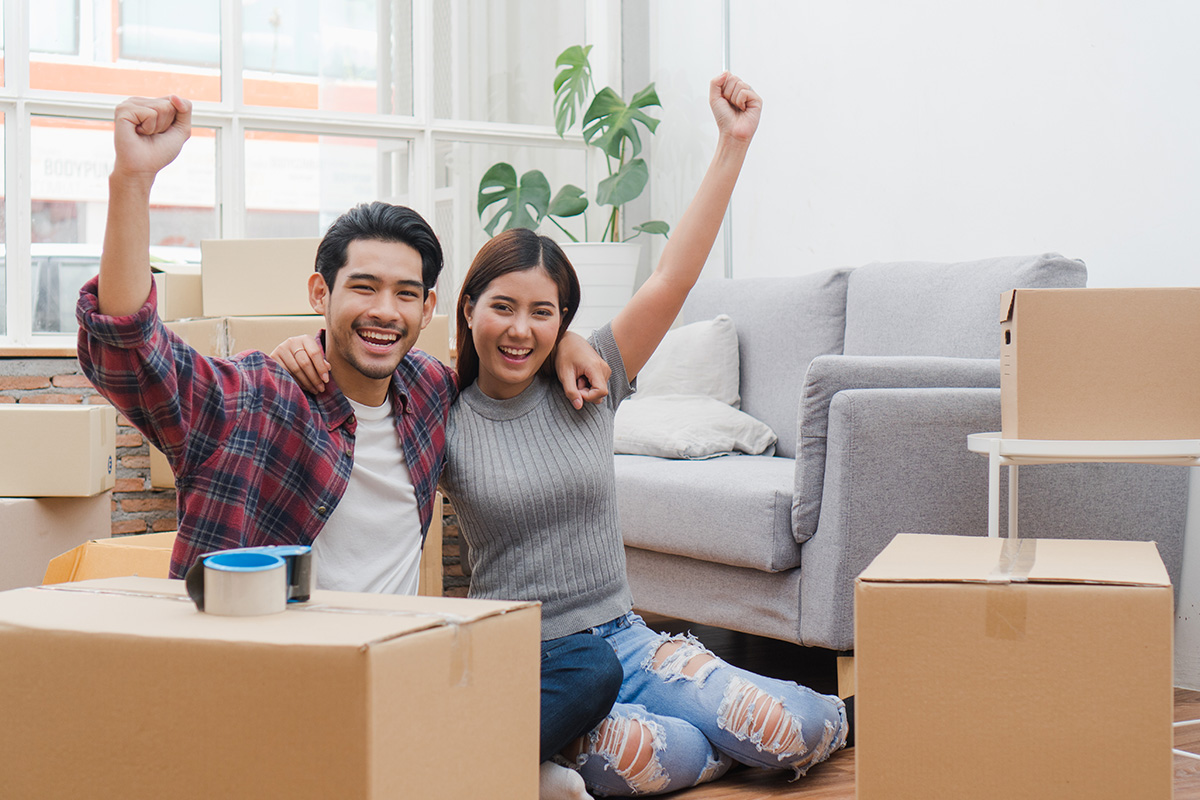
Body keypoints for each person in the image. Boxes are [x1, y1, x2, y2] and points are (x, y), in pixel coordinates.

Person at [280, 72, 846, 798]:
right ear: (468, 308)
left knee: (787, 731)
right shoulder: (435, 402)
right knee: (640, 757)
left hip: (630, 641)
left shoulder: (594, 373)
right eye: (503, 307)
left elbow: (673, 277)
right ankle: (714, 739)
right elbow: (365, 344)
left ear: (563, 319)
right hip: (527, 657)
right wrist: (292, 348)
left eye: (543, 313)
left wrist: (732, 145)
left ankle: (803, 723)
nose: (520, 329)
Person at [76, 94, 612, 595]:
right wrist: (131, 180)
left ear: (427, 310)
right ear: (320, 293)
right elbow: (131, 352)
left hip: (389, 668)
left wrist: (567, 342)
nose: (384, 310)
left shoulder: (430, 393)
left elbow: (513, 353)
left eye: (405, 293)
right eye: (363, 287)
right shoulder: (256, 401)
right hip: (267, 669)